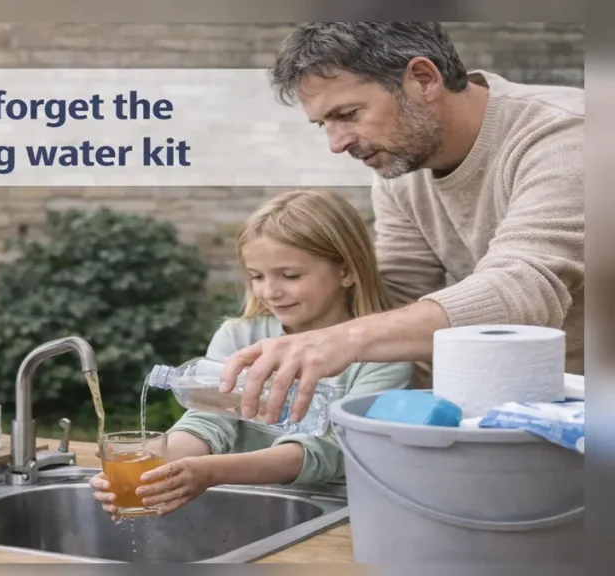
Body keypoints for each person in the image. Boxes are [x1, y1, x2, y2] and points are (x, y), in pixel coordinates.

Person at [221, 22, 584, 426]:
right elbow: (396, 299)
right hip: (517, 413)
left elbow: (524, 289)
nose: (336, 143)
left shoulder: (568, 134)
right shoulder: (401, 166)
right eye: (324, 123)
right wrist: (274, 334)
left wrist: (340, 341)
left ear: (423, 79)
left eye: (348, 114)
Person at [89, 189, 413, 516]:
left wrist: (213, 471)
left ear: (345, 271)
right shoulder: (241, 336)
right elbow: (210, 420)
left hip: (341, 514)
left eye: (290, 276)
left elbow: (331, 450)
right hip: (244, 507)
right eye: (257, 276)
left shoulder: (380, 353)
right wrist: (159, 467)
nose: (270, 292)